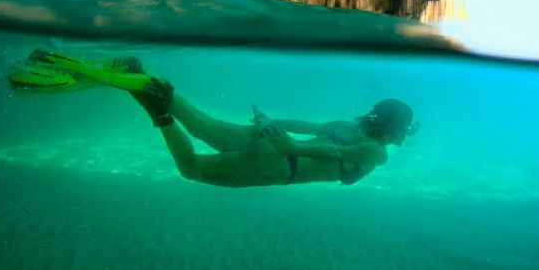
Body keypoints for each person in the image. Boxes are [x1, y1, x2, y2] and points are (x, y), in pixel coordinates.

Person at [128, 74, 418, 187]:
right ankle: (160, 113)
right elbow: (335, 152)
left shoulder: (350, 125)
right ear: (393, 128)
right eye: (405, 129)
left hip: (274, 142)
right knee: (192, 169)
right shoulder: (377, 152)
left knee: (202, 125)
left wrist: (272, 123)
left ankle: (156, 88)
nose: (405, 135)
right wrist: (292, 147)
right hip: (279, 162)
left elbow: (309, 126)